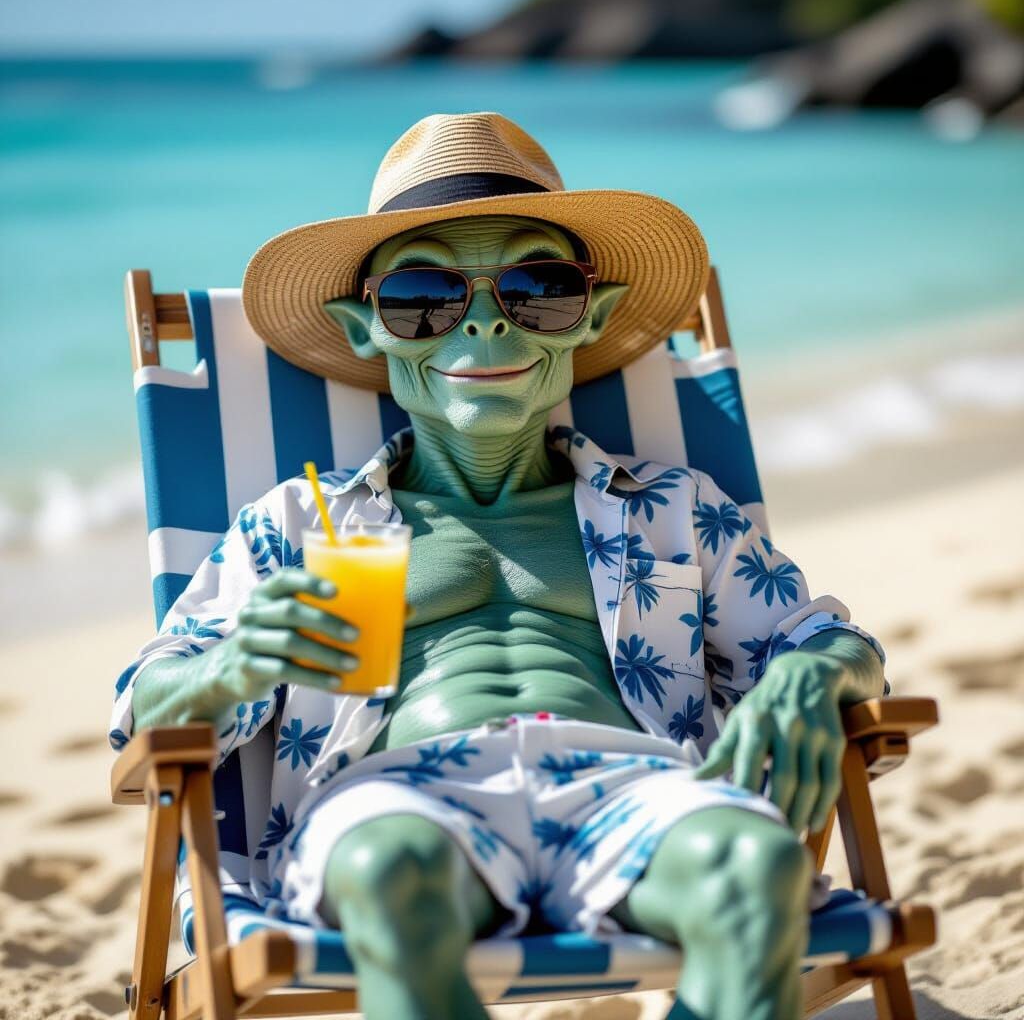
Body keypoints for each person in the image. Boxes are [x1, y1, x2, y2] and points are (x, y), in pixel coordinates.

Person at [111, 112, 887, 1020]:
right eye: (422, 297)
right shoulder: (300, 524)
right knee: (392, 874)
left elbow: (829, 640)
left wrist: (807, 675)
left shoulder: (670, 505)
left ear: (587, 318)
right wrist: (229, 668)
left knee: (756, 868)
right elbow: (141, 717)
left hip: (637, 786)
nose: (481, 319)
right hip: (396, 799)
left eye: (538, 286)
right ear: (367, 329)